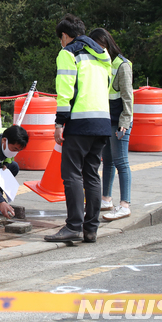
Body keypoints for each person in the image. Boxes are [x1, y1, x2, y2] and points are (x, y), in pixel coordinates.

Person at [44, 14, 111, 244]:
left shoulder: (68, 53)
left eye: (60, 39)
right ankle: (91, 229)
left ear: (64, 35)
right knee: (91, 173)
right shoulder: (103, 54)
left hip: (80, 121)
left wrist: (59, 122)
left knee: (71, 173)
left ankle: (73, 226)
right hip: (102, 122)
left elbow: (65, 90)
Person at [89, 28, 133, 221]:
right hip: (106, 120)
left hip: (120, 121)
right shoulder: (101, 63)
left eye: (99, 45)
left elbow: (128, 97)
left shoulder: (122, 65)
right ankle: (106, 199)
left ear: (107, 43)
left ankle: (125, 204)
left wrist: (125, 121)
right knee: (107, 161)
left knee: (121, 161)